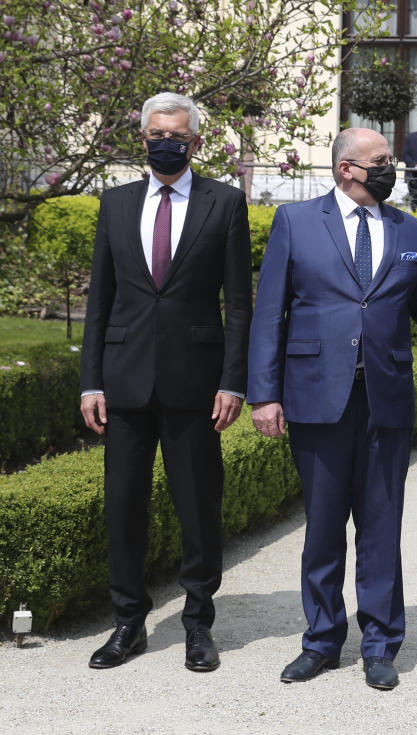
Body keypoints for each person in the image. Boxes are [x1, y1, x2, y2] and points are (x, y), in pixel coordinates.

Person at [246, 127, 417, 690]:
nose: (390, 168)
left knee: (380, 527)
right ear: (347, 168)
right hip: (317, 398)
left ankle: (379, 644)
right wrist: (264, 394)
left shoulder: (408, 228)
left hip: (385, 401)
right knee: (322, 527)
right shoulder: (295, 224)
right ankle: (321, 641)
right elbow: (270, 314)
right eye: (381, 161)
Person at [79, 92, 252, 672]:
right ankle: (128, 621)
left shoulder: (225, 203)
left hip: (196, 384)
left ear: (195, 141)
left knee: (198, 507)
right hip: (124, 382)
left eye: (174, 134)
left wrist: (233, 381)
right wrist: (89, 383)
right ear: (143, 135)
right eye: (154, 133)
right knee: (123, 506)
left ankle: (198, 624)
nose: (163, 142)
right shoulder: (115, 202)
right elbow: (99, 301)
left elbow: (239, 303)